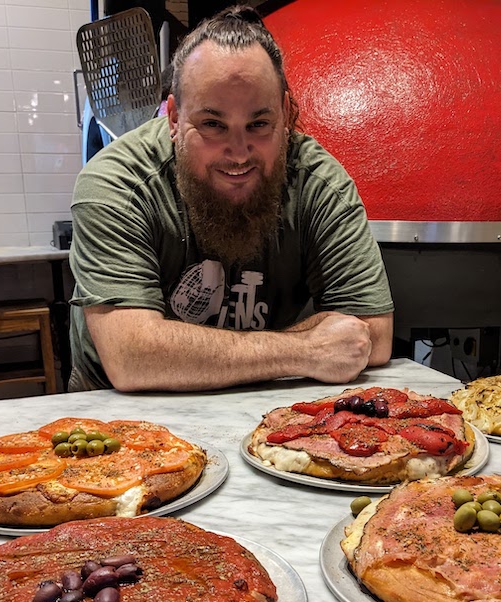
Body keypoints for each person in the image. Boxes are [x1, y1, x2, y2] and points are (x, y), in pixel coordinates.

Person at [67, 5, 394, 392]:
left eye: (258, 124)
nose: (239, 153)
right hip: (117, 417)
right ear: (173, 118)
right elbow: (130, 356)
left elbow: (372, 332)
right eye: (212, 125)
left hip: (262, 409)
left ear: (286, 115)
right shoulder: (117, 182)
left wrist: (197, 352)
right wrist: (304, 349)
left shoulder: (318, 183)